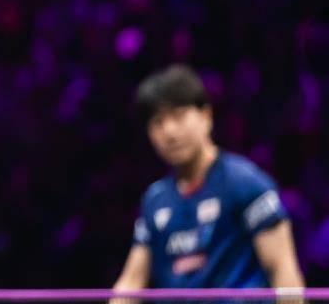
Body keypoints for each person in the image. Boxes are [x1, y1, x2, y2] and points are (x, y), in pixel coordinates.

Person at [112, 64, 304, 292]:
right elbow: (132, 281)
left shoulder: (246, 183)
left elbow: (283, 271)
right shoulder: (154, 200)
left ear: (206, 116)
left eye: (179, 116)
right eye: (158, 123)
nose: (169, 132)